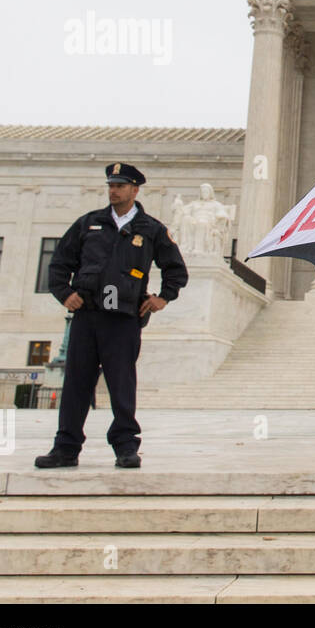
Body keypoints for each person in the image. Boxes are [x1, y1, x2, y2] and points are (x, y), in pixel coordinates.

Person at [34, 163, 188, 469]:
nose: (113, 190)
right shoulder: (89, 224)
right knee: (77, 383)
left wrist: (163, 298)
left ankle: (126, 447)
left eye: (120, 186)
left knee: (121, 385)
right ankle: (66, 448)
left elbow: (176, 269)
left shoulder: (151, 229)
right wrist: (65, 294)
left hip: (123, 318)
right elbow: (59, 263)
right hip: (87, 316)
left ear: (134, 190)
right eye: (111, 185)